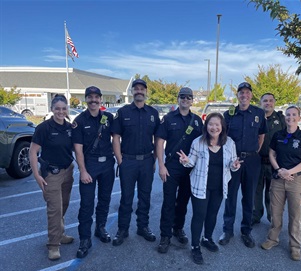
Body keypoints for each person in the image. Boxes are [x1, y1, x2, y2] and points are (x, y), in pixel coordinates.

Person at [177, 113, 241, 264]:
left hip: (219, 186)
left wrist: (235, 166)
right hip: (200, 185)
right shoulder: (198, 142)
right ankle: (195, 246)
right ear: (206, 126)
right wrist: (186, 161)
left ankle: (207, 238)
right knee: (199, 215)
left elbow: (233, 163)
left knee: (212, 214)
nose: (214, 127)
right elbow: (191, 162)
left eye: (217, 124)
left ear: (222, 126)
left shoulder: (229, 143)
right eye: (211, 124)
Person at [260, 105, 301, 261]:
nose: (290, 117)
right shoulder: (278, 135)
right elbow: (272, 154)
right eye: (288, 115)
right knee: (275, 213)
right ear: (285, 117)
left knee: (295, 215)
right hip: (278, 178)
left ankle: (295, 247)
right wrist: (280, 170)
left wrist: (290, 172)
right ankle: (272, 239)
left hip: (296, 180)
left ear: (299, 118)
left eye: (294, 115)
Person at [111, 78, 160, 246]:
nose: (139, 91)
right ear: (132, 92)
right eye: (136, 89)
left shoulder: (153, 114)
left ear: (146, 92)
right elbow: (115, 137)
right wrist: (120, 161)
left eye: (142, 89)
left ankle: (143, 227)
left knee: (145, 197)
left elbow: (158, 139)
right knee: (126, 198)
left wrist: (154, 159)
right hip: (128, 162)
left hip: (147, 161)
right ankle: (122, 229)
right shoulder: (123, 112)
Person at [219, 82, 267, 248]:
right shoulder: (229, 114)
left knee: (249, 197)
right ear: (237, 95)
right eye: (241, 93)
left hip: (252, 161)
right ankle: (227, 230)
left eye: (247, 92)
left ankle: (246, 231)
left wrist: (253, 152)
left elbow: (261, 136)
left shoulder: (259, 113)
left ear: (251, 95)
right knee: (231, 196)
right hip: (233, 160)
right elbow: (222, 137)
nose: (244, 95)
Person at [155, 87, 203, 254]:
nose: (185, 99)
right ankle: (165, 235)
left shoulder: (197, 121)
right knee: (168, 202)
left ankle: (178, 229)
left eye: (188, 97)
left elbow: (203, 145)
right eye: (182, 96)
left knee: (183, 201)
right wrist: (161, 165)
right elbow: (159, 142)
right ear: (178, 99)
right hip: (172, 166)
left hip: (190, 168)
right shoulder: (168, 119)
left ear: (192, 100)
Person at [29, 94, 74, 260]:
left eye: (63, 108)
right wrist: (36, 174)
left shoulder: (70, 127)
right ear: (52, 109)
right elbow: (33, 151)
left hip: (68, 171)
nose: (61, 112)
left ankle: (60, 234)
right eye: (57, 109)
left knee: (64, 205)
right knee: (54, 210)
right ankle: (53, 245)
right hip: (51, 174)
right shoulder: (44, 128)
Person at [72, 86, 115, 258]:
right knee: (87, 204)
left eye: (96, 97)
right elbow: (78, 149)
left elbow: (117, 137)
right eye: (90, 97)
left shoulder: (108, 117)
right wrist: (82, 171)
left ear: (101, 99)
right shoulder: (79, 121)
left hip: (107, 165)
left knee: (105, 199)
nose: (93, 100)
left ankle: (100, 228)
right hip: (89, 166)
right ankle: (84, 238)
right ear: (86, 100)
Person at [252, 93, 286, 225]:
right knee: (256, 190)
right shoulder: (256, 118)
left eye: (271, 101)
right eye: (265, 101)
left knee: (272, 192)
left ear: (274, 103)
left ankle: (272, 217)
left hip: (274, 162)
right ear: (261, 103)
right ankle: (255, 216)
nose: (268, 103)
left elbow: (287, 135)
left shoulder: (280, 119)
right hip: (257, 161)